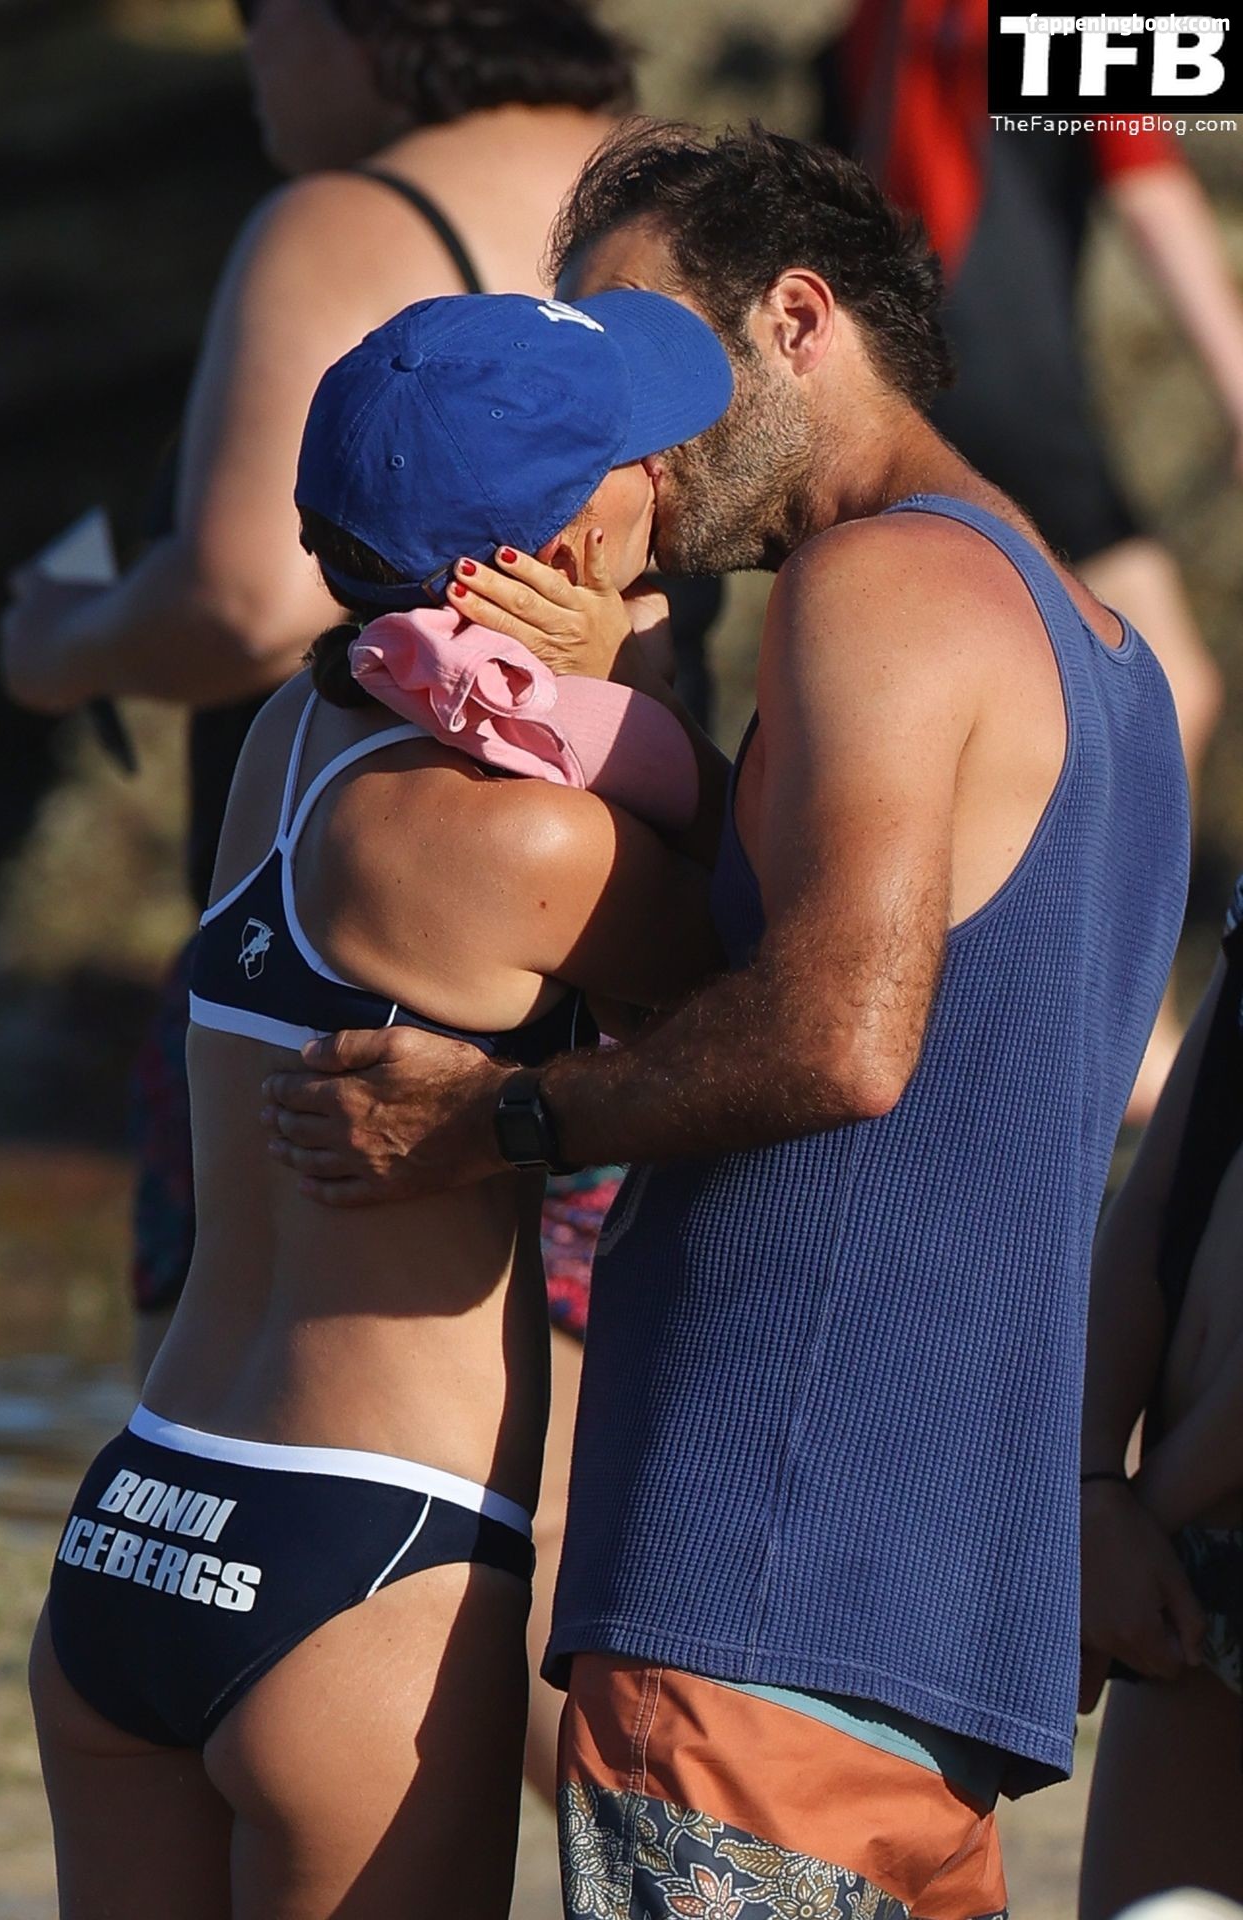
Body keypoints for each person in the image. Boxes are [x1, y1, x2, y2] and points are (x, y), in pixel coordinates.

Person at [261, 121, 1191, 1920]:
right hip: (947, 1640)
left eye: (645, 352)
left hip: (758, 1574)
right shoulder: (1105, 659)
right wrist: (631, 715)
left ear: (797, 320)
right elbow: (932, 1021)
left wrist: (490, 1122)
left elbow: (840, 1034)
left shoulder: (875, 584)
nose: (621, 436)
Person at [0, 0, 675, 1796]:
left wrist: (60, 642)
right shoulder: (528, 848)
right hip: (372, 1542)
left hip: (147, 1513)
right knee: (577, 1627)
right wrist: (627, 696)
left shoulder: (298, 742)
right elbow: (775, 986)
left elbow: (246, 607)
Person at [819, 0, 1243, 1120]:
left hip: (928, 362)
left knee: (1107, 685)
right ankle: (1103, 1036)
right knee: (1162, 681)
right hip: (997, 369)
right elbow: (1145, 183)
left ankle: (1042, 1012)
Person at [1077, 867, 1243, 1918]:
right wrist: (1094, 1486)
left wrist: (1137, 1511)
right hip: (1190, 1565)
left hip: (1177, 1526)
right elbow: (1156, 1195)